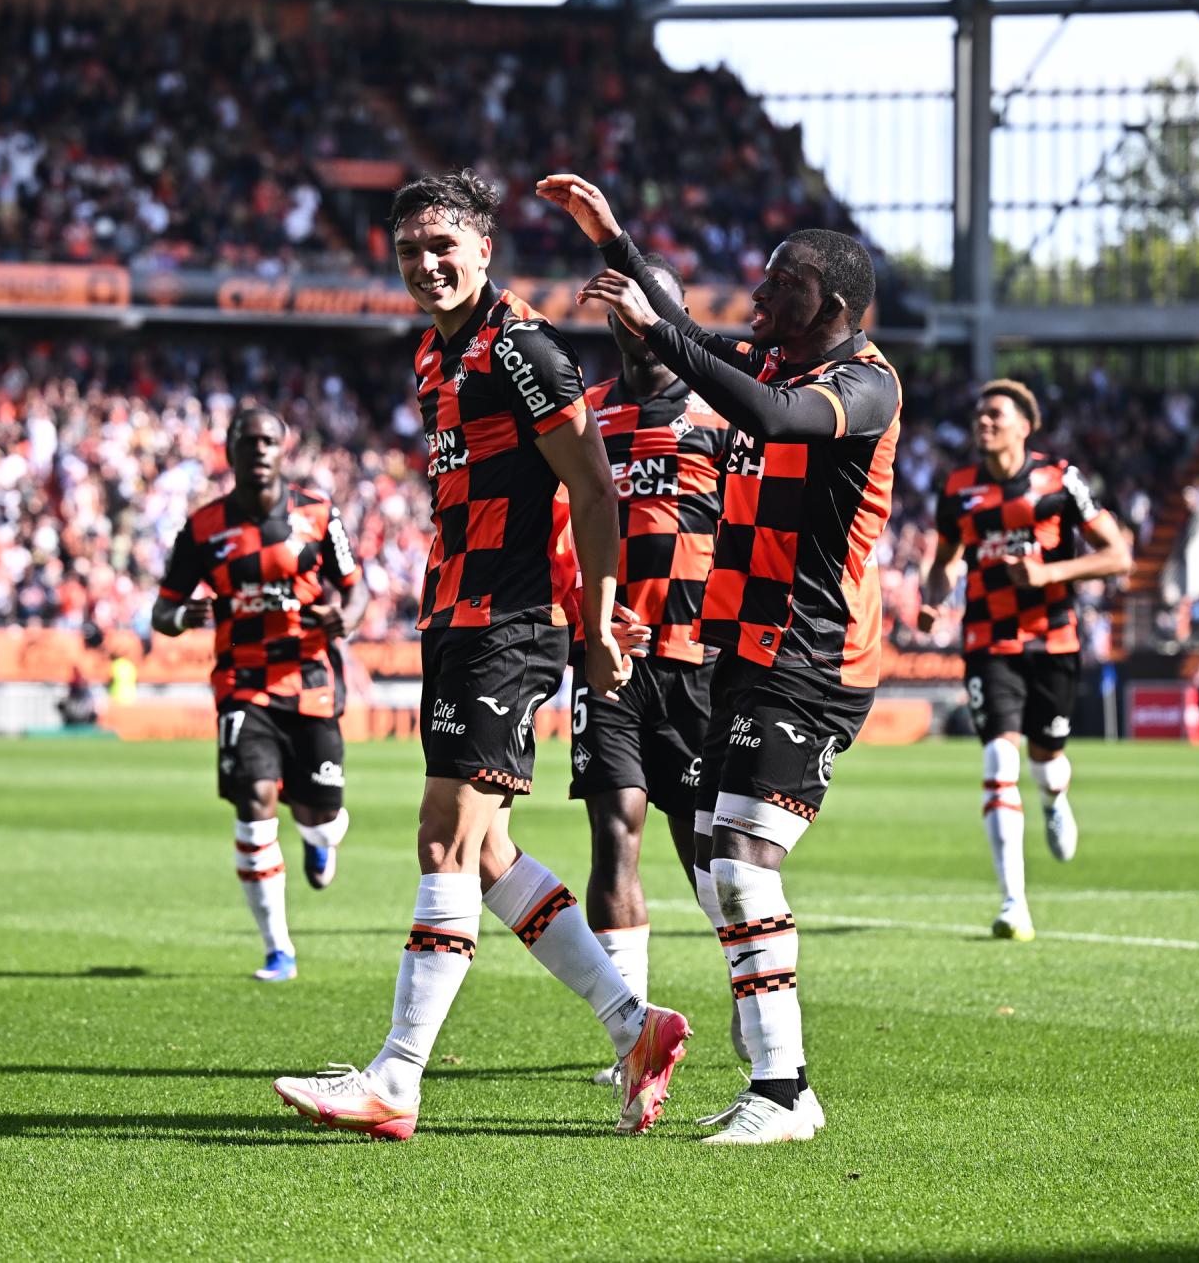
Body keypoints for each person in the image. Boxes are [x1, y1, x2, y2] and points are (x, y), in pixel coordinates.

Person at [274, 170, 689, 1141]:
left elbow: (593, 489)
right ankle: (634, 1026)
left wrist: (596, 625)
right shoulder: (436, 355)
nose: (426, 264)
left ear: (483, 250)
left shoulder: (521, 348)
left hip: (509, 621)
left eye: (442, 246)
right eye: (409, 249)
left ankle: (396, 1077)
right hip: (456, 617)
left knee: (443, 842)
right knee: (490, 851)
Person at [541, 171, 902, 1145]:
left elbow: (771, 416)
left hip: (813, 655)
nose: (757, 296)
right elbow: (680, 327)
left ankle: (782, 1089)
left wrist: (663, 335)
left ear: (830, 304)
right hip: (740, 648)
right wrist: (613, 237)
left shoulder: (864, 384)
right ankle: (766, 1053)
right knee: (712, 859)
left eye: (780, 284)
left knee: (739, 864)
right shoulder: (771, 359)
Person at [567, 253, 733, 1084]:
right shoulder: (586, 415)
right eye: (627, 309)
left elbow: (755, 533)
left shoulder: (722, 414)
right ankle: (630, 1030)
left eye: (653, 307)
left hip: (697, 661)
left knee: (706, 849)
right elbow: (561, 526)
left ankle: (753, 988)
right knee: (614, 829)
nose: (638, 322)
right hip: (608, 658)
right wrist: (589, 616)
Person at [152, 406, 366, 983]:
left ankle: (319, 839)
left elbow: (356, 588)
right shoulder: (203, 528)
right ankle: (278, 950)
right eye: (248, 441)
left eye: (269, 440)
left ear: (283, 448)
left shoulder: (317, 513)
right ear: (229, 450)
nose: (259, 450)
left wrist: (346, 618)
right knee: (254, 806)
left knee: (321, 816)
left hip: (311, 680)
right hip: (241, 686)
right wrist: (183, 615)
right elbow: (161, 611)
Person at [919, 381, 1133, 941]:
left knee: (1047, 760)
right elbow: (944, 562)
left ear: (1024, 426)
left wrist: (1049, 573)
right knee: (998, 760)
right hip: (988, 642)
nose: (983, 422)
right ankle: (1014, 904)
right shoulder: (958, 488)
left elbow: (1118, 555)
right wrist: (932, 599)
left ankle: (1055, 798)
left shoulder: (1060, 480)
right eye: (979, 414)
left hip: (1053, 639)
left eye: (995, 414)